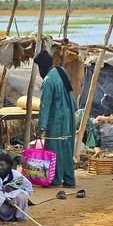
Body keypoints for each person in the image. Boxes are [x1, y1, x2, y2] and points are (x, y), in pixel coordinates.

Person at [35, 50, 79, 188]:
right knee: (66, 146)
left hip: (56, 118)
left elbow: (45, 105)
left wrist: (41, 127)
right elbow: (70, 91)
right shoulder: (61, 71)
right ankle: (69, 179)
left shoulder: (48, 80)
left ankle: (55, 179)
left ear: (42, 66)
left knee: (53, 147)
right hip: (69, 115)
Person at [0, 152, 33, 222]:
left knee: (22, 195)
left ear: (8, 165)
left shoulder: (16, 174)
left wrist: (13, 188)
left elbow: (28, 188)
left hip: (14, 204)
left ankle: (17, 217)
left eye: (2, 165)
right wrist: (5, 199)